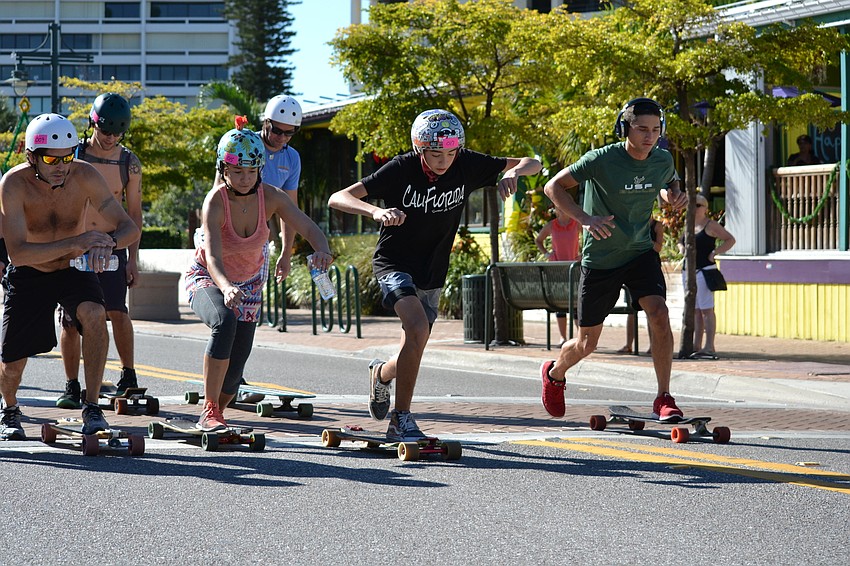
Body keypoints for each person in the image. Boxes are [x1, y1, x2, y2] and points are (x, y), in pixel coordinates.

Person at [328, 109, 542, 441]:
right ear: (420, 149)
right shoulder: (401, 168)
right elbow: (338, 198)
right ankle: (401, 419)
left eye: (450, 154)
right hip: (394, 263)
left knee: (414, 345)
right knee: (416, 328)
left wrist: (513, 172)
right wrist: (376, 211)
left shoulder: (467, 163)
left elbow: (533, 162)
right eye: (436, 154)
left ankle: (381, 374)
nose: (444, 161)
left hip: (433, 271)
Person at [539, 98, 687, 422]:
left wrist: (673, 195)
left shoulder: (661, 158)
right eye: (642, 129)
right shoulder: (601, 159)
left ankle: (664, 397)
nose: (649, 136)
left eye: (656, 130)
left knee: (659, 313)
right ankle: (554, 372)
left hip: (640, 251)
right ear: (625, 128)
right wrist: (584, 218)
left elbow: (667, 182)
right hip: (602, 257)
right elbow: (553, 187)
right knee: (586, 343)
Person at [0, 113, 140, 439]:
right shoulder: (13, 184)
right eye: (51, 159)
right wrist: (78, 242)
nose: (61, 166)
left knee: (95, 314)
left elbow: (129, 227)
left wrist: (108, 243)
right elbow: (18, 253)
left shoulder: (85, 175)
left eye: (68, 156)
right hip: (30, 271)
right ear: (31, 156)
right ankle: (10, 408)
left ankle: (92, 406)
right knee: (12, 363)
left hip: (72, 268)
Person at [186, 122, 332, 431]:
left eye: (251, 171)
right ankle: (209, 410)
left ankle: (217, 413)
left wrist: (323, 250)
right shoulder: (215, 201)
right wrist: (226, 287)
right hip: (209, 278)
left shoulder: (272, 197)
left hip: (249, 284)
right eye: (237, 172)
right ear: (223, 169)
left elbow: (308, 226)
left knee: (236, 368)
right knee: (224, 320)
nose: (244, 178)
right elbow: (212, 258)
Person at [57, 93, 143, 409]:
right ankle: (71, 385)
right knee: (70, 319)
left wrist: (133, 259)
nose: (110, 138)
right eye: (106, 131)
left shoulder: (129, 163)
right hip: (76, 244)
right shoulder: (74, 155)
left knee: (117, 311)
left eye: (118, 133)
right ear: (92, 123)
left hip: (111, 244)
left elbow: (134, 214)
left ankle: (128, 375)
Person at [677, 193, 736, 359]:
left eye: (698, 205)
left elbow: (730, 240)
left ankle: (709, 345)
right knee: (695, 310)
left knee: (706, 310)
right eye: (691, 205)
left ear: (705, 208)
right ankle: (696, 345)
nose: (694, 208)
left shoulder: (711, 225)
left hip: (704, 270)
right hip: (688, 271)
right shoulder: (689, 224)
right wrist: (681, 248)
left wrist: (715, 252)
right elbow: (680, 240)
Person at [617, 216, 664, 355]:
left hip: (650, 268)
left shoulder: (657, 226)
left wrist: (644, 238)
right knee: (631, 310)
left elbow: (658, 247)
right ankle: (628, 344)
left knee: (652, 311)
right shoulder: (634, 223)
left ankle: (653, 345)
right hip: (633, 267)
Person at [535, 206, 581, 345]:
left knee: (576, 302)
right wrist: (547, 254)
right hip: (557, 268)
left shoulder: (576, 223)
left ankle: (580, 337)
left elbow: (590, 237)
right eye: (557, 208)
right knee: (560, 303)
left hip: (573, 267)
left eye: (562, 207)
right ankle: (563, 337)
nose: (560, 210)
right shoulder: (552, 225)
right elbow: (538, 240)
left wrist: (583, 254)